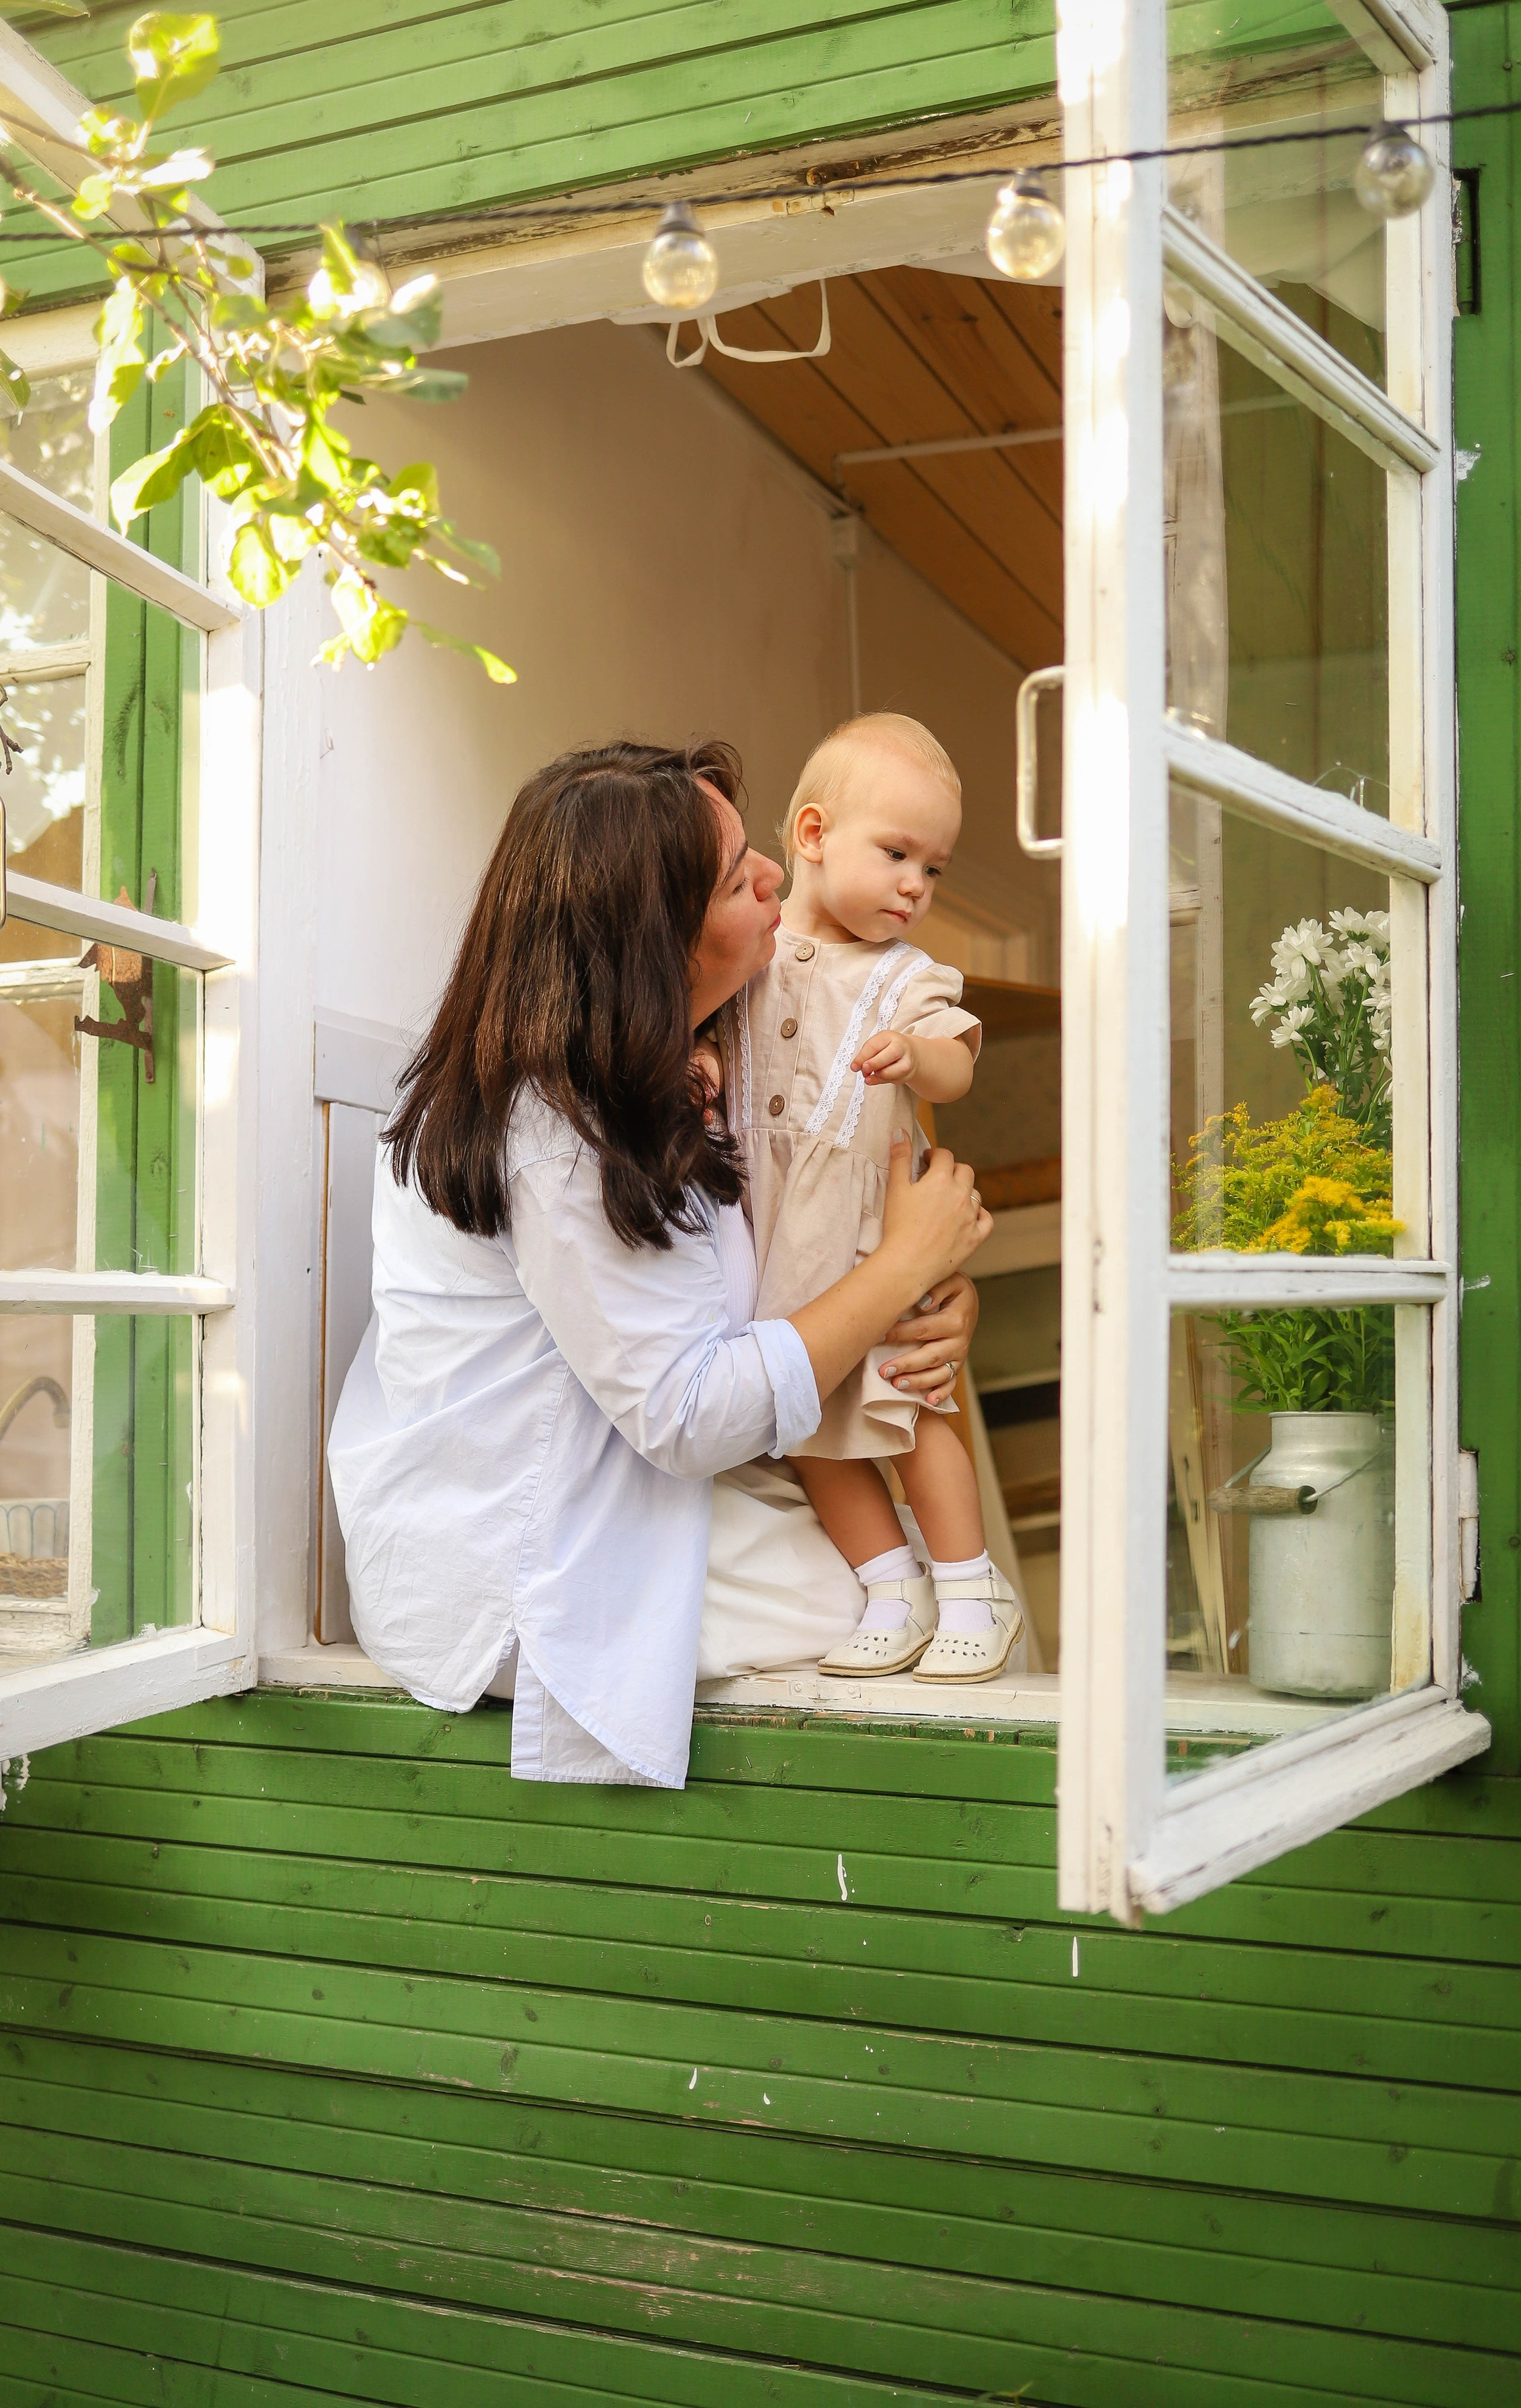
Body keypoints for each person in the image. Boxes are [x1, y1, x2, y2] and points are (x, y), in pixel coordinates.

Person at [327, 740, 990, 1789]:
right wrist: (897, 1272)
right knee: (873, 1609)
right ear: (657, 944)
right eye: (737, 880)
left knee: (917, 1575)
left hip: (636, 1460)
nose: (777, 873)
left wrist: (920, 1293)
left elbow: (780, 1263)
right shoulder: (557, 1131)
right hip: (522, 1547)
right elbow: (688, 1414)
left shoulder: (683, 1062)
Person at [725, 714, 1024, 1683]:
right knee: (810, 1431)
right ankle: (892, 1586)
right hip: (779, 1259)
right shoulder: (749, 962)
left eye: (933, 870)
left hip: (865, 1240)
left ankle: (972, 1584)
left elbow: (958, 1062)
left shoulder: (903, 977)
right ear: (812, 836)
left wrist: (921, 1056)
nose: (916, 886)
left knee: (912, 1409)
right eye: (897, 854)